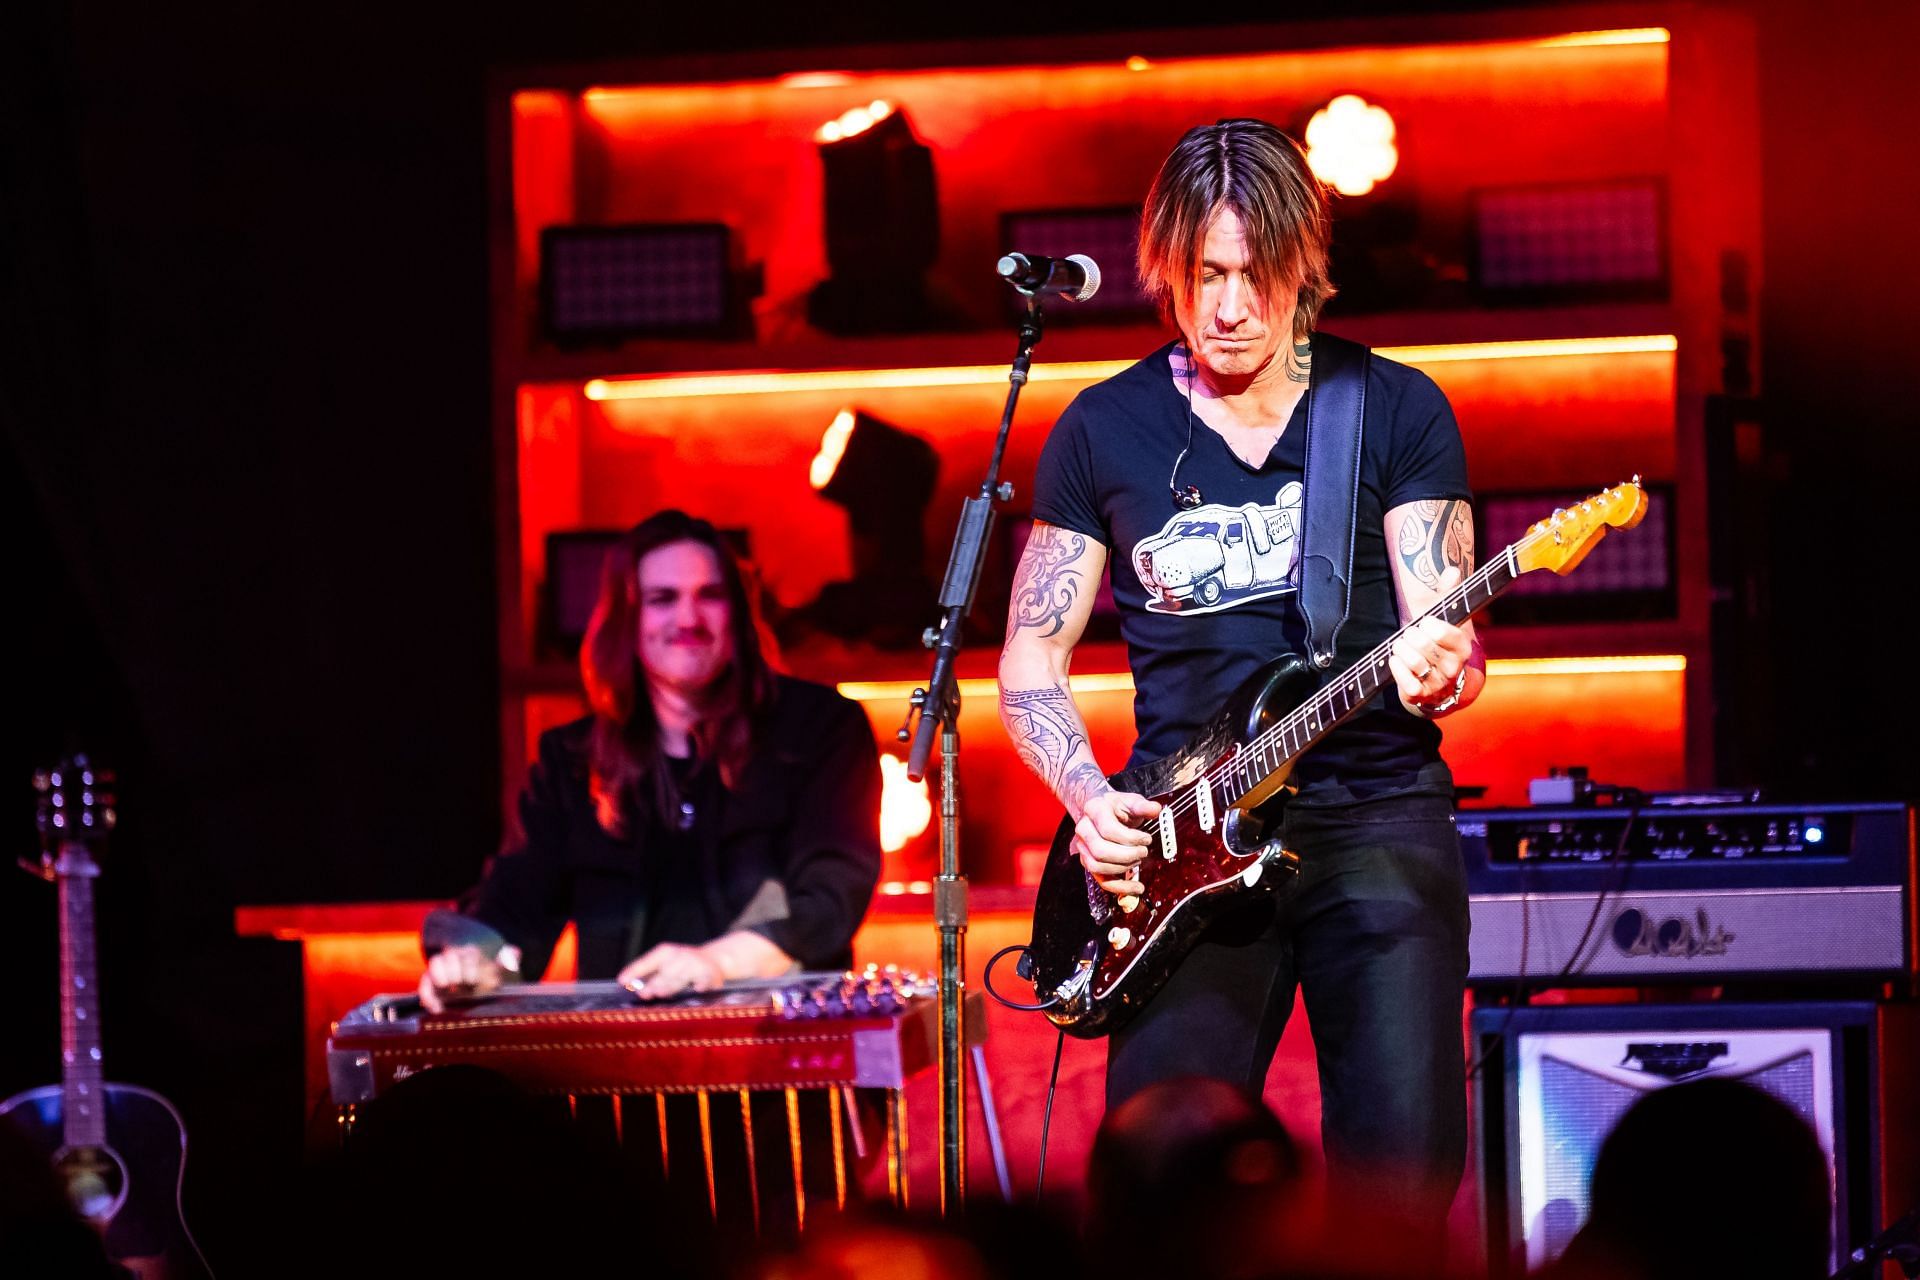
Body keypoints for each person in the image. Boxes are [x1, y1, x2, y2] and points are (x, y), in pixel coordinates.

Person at [998, 119, 1484, 1258]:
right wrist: (1084, 797)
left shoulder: (1395, 408)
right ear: (1167, 267)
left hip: (1373, 814)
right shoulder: (1102, 427)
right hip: (1184, 841)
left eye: (1253, 275)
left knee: (1398, 1184)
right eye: (1203, 275)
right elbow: (1030, 659)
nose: (1226, 306)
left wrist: (1443, 664)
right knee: (1161, 1184)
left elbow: (1447, 628)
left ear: (1302, 266)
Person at [418, 508, 883, 1010]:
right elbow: (515, 909)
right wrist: (471, 964)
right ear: (627, 622)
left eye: (710, 595)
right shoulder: (570, 760)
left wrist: (719, 964)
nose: (689, 618)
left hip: (785, 1057)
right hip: (622, 1069)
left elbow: (832, 891)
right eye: (663, 599)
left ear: (740, 614)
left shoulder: (822, 728)